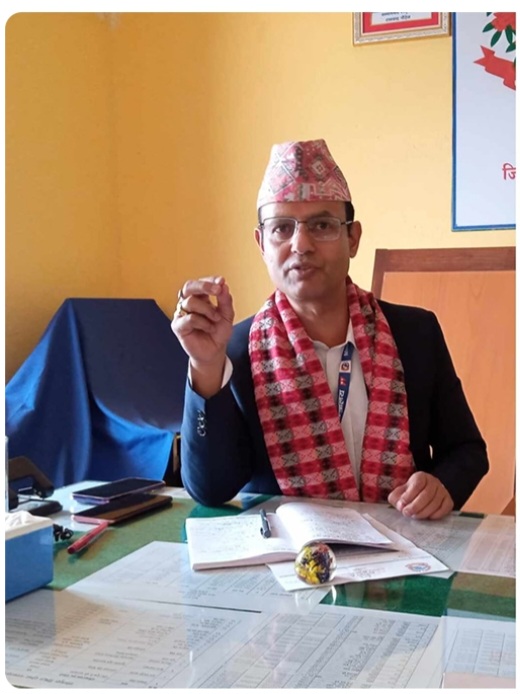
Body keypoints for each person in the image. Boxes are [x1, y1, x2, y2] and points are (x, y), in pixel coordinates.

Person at [171, 139, 488, 519]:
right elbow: (211, 489)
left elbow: (467, 450)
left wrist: (443, 485)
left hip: (402, 544)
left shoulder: (415, 333)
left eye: (321, 225)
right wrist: (206, 366)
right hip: (289, 553)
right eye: (281, 228)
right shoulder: (236, 350)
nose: (300, 244)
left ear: (352, 238)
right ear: (261, 244)